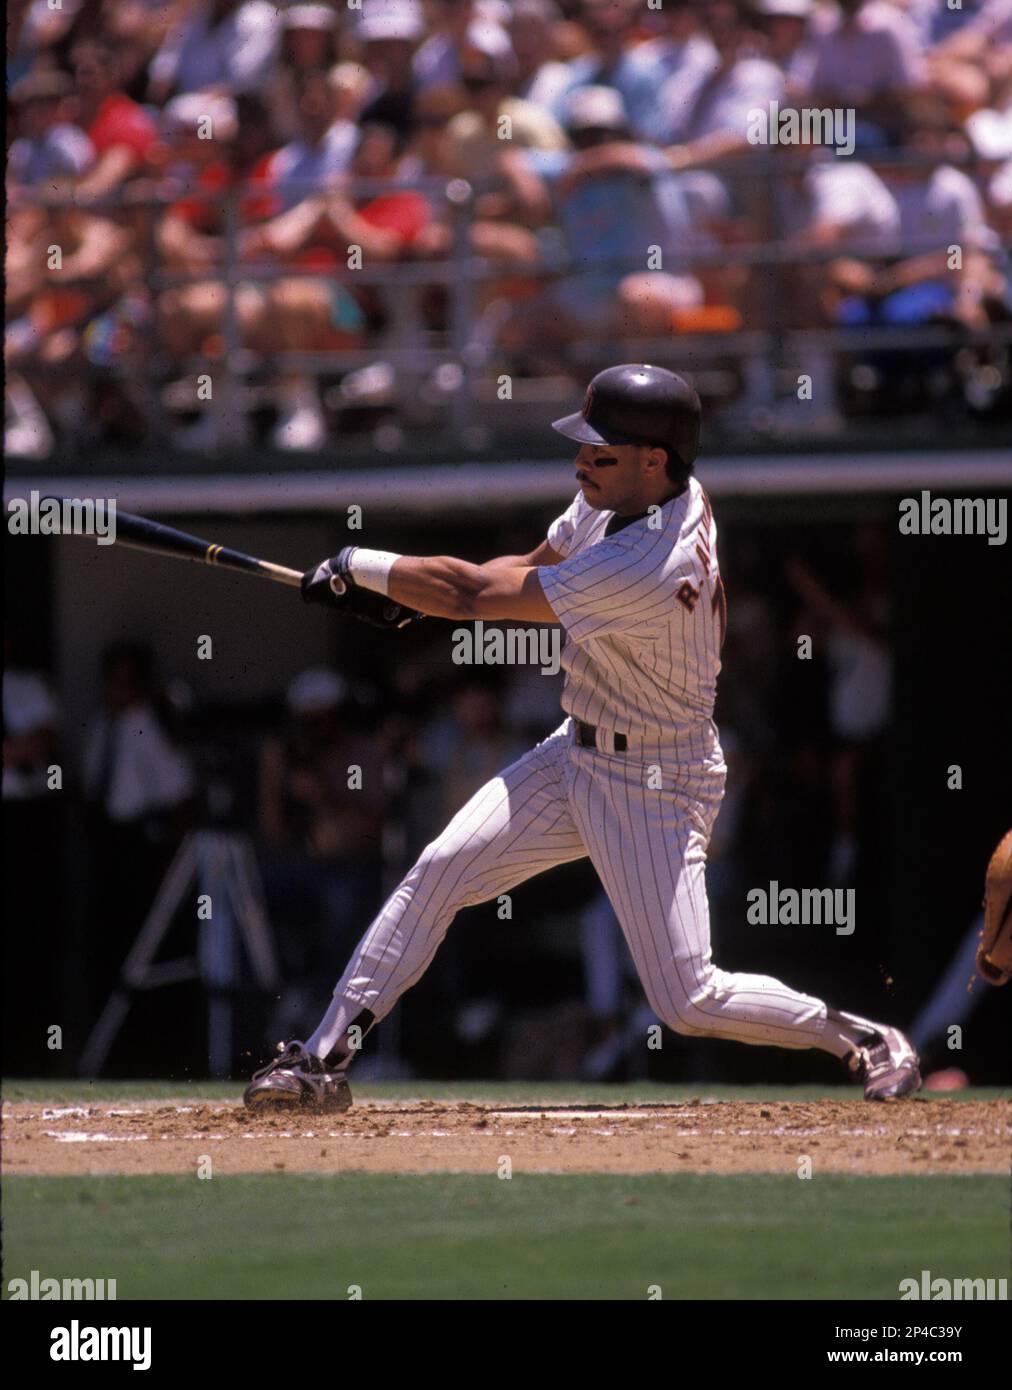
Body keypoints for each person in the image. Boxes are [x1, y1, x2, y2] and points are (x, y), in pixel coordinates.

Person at [243, 362, 922, 1112]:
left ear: (653, 460)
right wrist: (407, 597)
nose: (580, 462)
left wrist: (364, 566)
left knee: (688, 999)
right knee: (438, 869)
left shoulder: (648, 563)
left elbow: (476, 594)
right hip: (577, 750)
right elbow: (522, 570)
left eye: (600, 452)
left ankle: (865, 1038)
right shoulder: (640, 494)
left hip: (656, 780)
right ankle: (319, 1058)